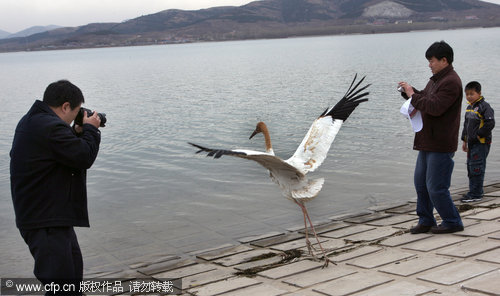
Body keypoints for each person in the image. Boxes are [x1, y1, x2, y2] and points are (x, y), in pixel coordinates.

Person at [10, 80, 101, 294]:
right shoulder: (48, 127)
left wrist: (79, 131)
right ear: (66, 106)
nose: (76, 117)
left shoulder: (36, 122)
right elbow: (83, 156)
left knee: (71, 281)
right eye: (77, 111)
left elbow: (66, 151)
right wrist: (90, 130)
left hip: (50, 218)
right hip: (45, 221)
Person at [399, 41, 464, 234]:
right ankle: (426, 220)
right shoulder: (436, 79)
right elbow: (426, 99)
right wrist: (409, 93)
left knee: (436, 187)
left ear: (444, 60)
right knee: (421, 184)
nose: (429, 64)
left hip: (441, 143)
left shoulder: (451, 81)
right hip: (428, 140)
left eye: (432, 60)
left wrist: (413, 95)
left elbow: (435, 107)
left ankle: (452, 221)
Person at [461, 81, 495, 202]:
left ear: (479, 93)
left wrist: (477, 135)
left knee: (477, 167)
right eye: (467, 94)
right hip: (471, 143)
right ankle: (473, 191)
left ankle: (476, 194)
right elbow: (466, 125)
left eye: (472, 94)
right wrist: (464, 140)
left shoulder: (484, 107)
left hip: (481, 142)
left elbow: (490, 123)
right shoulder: (469, 107)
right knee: (470, 167)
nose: (469, 96)